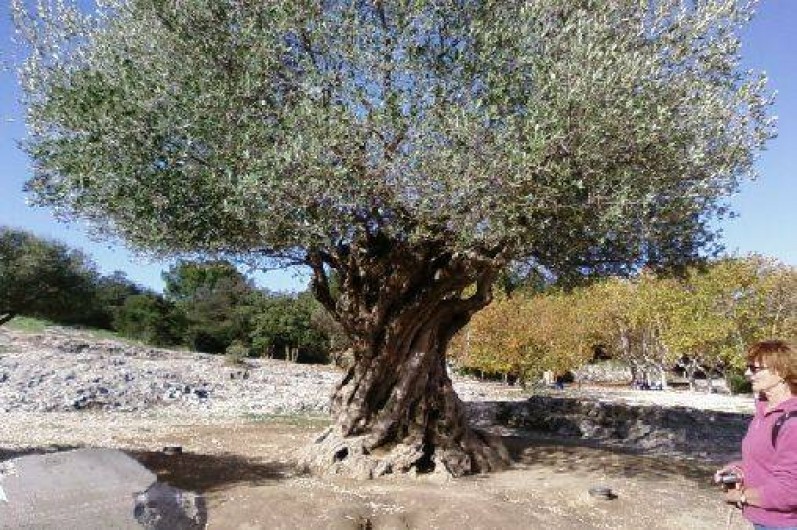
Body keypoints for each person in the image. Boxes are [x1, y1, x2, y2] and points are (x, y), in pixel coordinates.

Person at [715, 340, 797, 529]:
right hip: (764, 520)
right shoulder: (764, 411)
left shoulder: (792, 423)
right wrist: (739, 471)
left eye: (755, 368)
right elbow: (768, 461)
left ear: (781, 372)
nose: (747, 373)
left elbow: (790, 489)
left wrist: (742, 495)